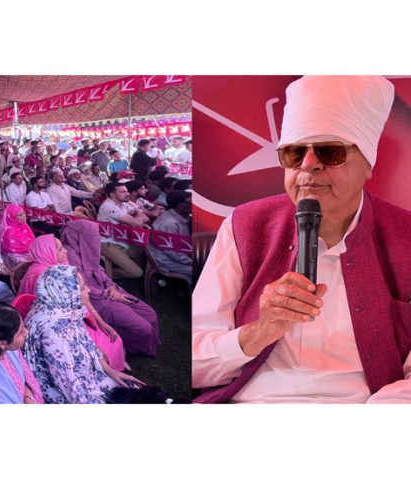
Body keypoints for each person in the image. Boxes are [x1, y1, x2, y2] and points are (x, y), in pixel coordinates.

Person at [192, 75, 411, 404]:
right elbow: (194, 364)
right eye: (294, 153)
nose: (308, 165)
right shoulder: (244, 226)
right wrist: (259, 331)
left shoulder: (405, 234)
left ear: (368, 165)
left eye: (330, 152)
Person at [22, 265, 142, 403]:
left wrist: (109, 371)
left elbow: (86, 342)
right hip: (70, 394)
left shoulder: (61, 307)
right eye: (83, 288)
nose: (89, 290)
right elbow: (70, 389)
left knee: (136, 392)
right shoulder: (54, 336)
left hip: (84, 377)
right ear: (68, 292)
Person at [19, 234, 126, 371]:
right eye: (59, 249)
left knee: (111, 337)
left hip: (73, 315)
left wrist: (100, 321)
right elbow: (60, 313)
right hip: (63, 321)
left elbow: (80, 298)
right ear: (47, 252)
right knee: (105, 344)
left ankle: (113, 367)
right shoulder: (41, 276)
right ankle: (107, 370)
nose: (66, 251)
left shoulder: (60, 266)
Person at [61, 220, 160, 356]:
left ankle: (149, 341)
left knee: (149, 313)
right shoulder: (68, 254)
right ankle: (139, 347)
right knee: (143, 327)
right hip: (95, 300)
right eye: (94, 234)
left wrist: (112, 286)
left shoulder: (88, 245)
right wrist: (109, 294)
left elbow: (99, 270)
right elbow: (81, 285)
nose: (98, 237)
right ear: (79, 235)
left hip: (109, 291)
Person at [96, 182, 149, 280]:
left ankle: (121, 265)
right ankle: (104, 275)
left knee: (144, 253)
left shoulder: (122, 204)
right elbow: (137, 223)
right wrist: (137, 215)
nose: (128, 194)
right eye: (123, 192)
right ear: (112, 194)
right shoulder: (109, 206)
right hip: (107, 243)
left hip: (121, 240)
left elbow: (145, 218)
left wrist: (137, 215)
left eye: (127, 191)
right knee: (137, 273)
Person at [149, 190, 192, 284]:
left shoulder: (183, 215)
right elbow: (174, 253)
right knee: (203, 271)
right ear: (179, 205)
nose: (193, 204)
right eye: (189, 202)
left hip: (177, 255)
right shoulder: (169, 224)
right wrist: (195, 261)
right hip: (166, 259)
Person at [0, 204, 35, 269]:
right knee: (31, 265)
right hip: (14, 256)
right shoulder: (8, 232)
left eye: (24, 213)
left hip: (28, 251)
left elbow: (32, 241)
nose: (24, 216)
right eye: (20, 215)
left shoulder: (24, 225)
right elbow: (12, 254)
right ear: (12, 217)